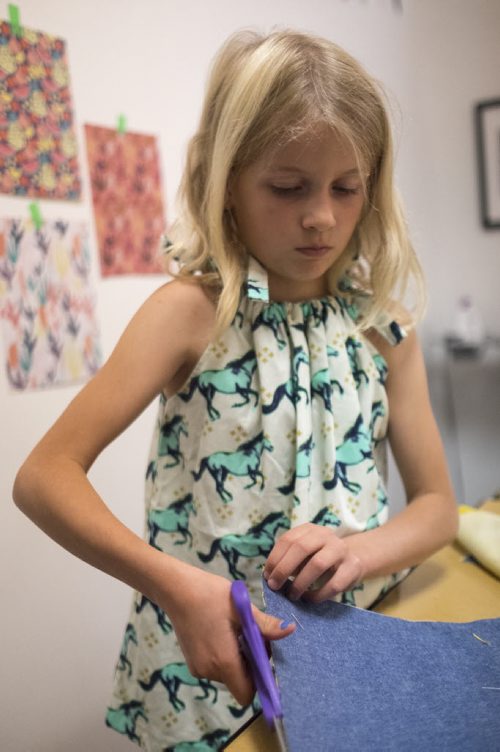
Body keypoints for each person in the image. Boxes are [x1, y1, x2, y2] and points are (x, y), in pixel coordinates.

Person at [13, 28, 458, 752]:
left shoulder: (384, 329)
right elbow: (42, 478)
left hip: (349, 658)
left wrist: (364, 552)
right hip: (204, 675)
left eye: (346, 188)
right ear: (226, 183)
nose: (322, 216)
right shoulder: (189, 315)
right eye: (288, 187)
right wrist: (176, 587)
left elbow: (438, 507)